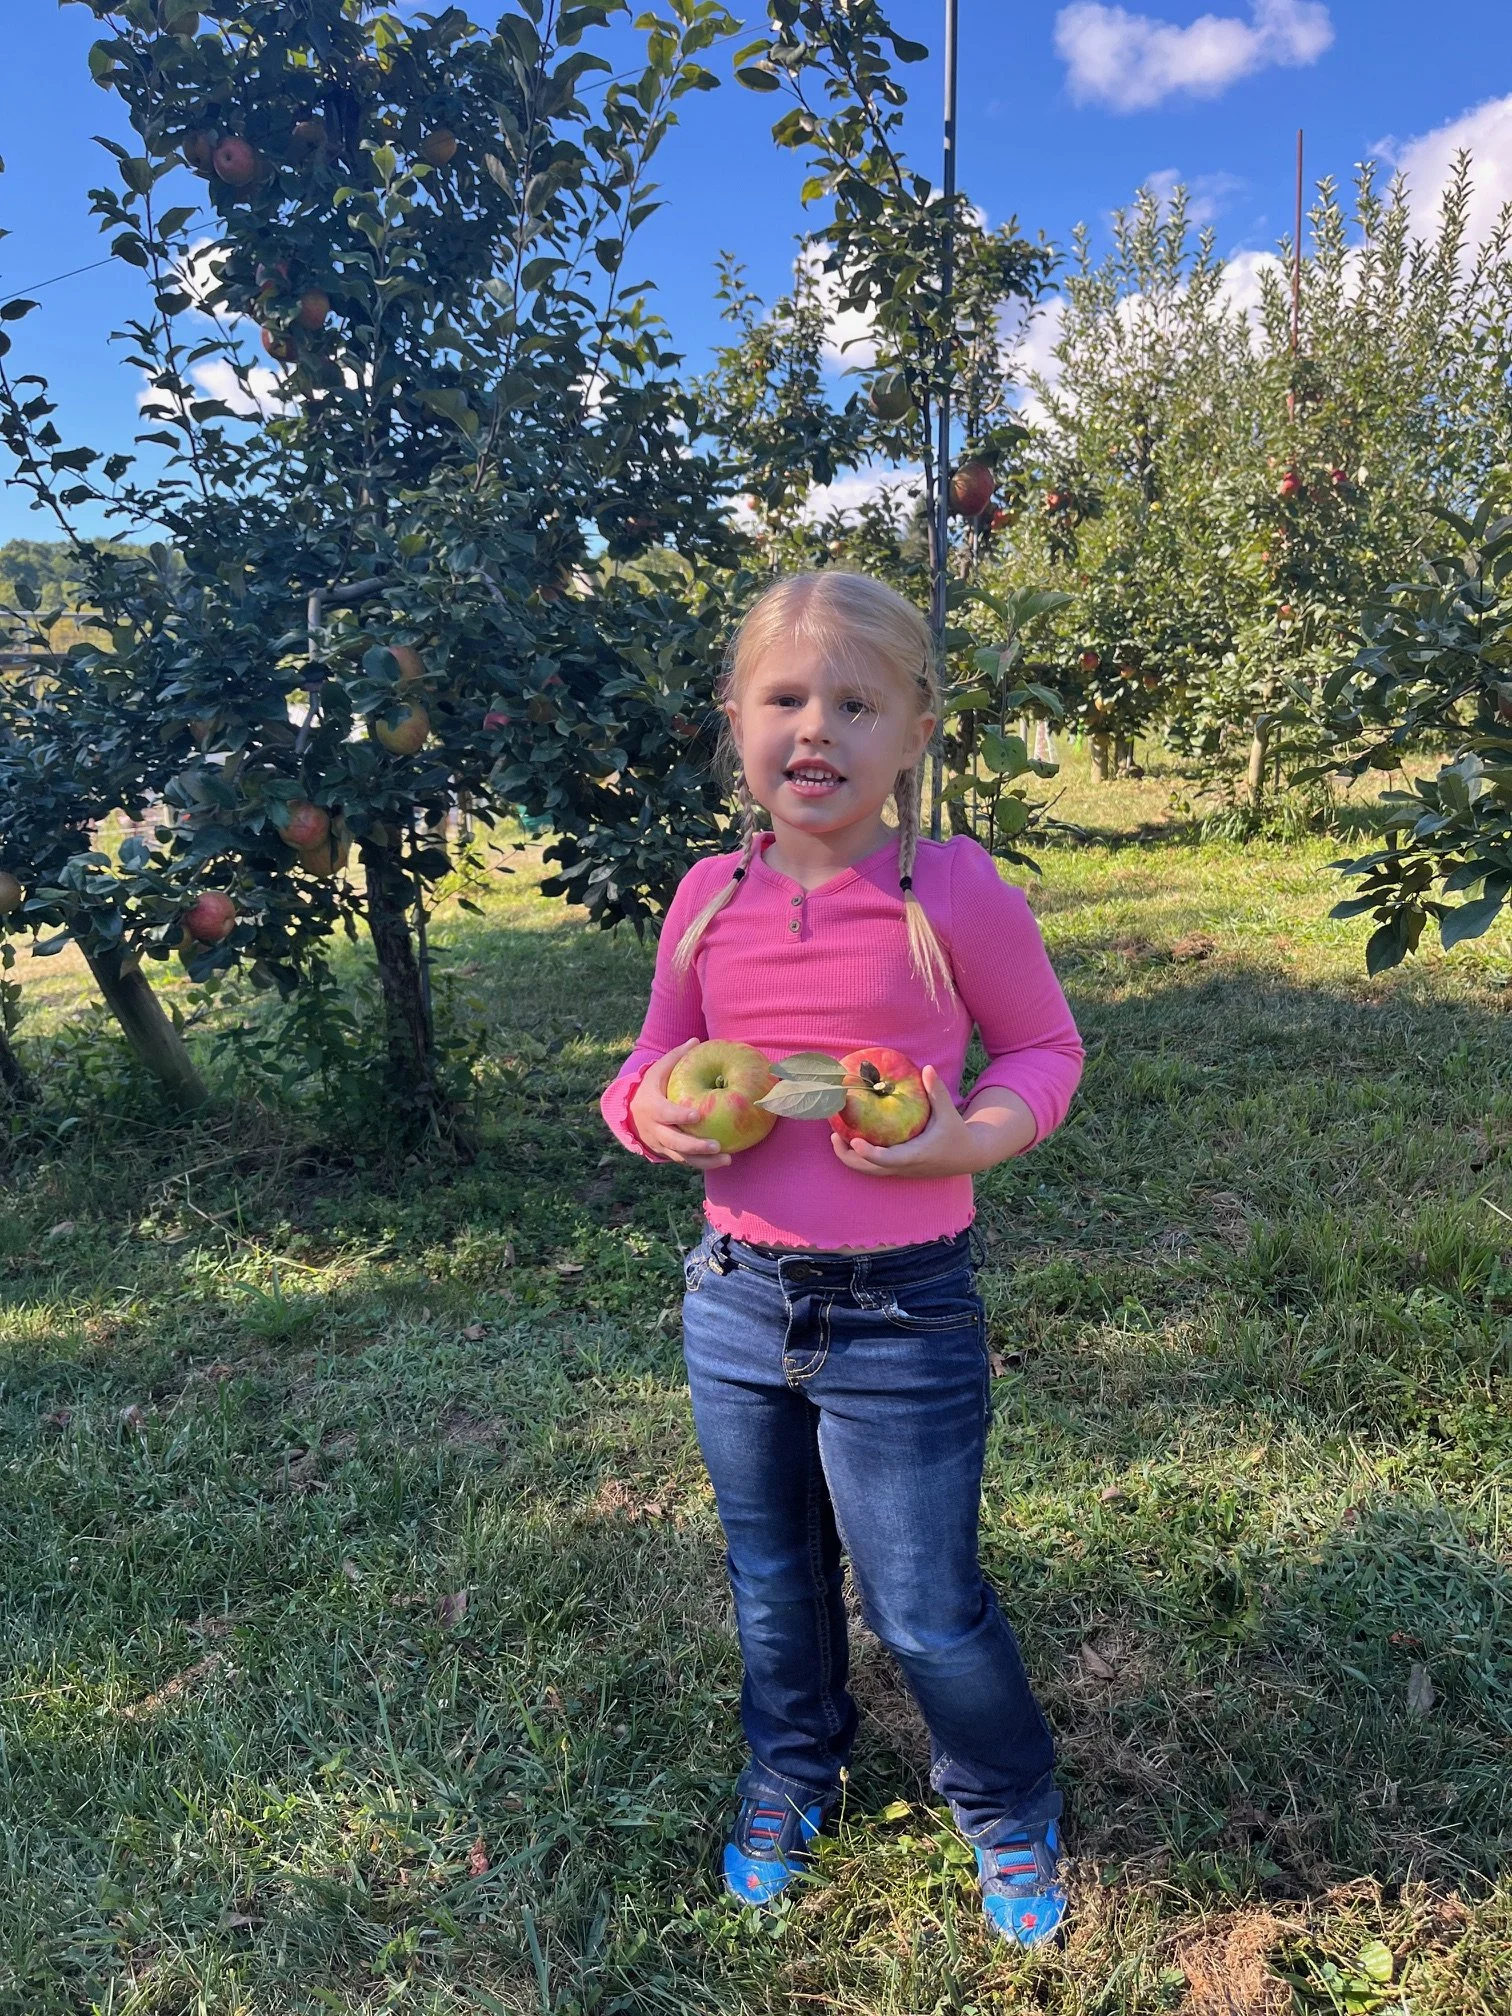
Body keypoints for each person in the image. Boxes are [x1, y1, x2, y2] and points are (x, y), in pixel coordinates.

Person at [599, 571, 1084, 1947]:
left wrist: (964, 1140)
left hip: (903, 1311)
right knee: (772, 1578)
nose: (816, 729)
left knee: (923, 1604)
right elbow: (653, 1056)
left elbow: (1044, 1050)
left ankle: (1005, 1797)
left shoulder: (951, 889)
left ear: (916, 732)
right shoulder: (708, 897)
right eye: (785, 699)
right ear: (735, 721)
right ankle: (794, 1767)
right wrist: (650, 1114)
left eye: (857, 705)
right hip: (738, 1301)